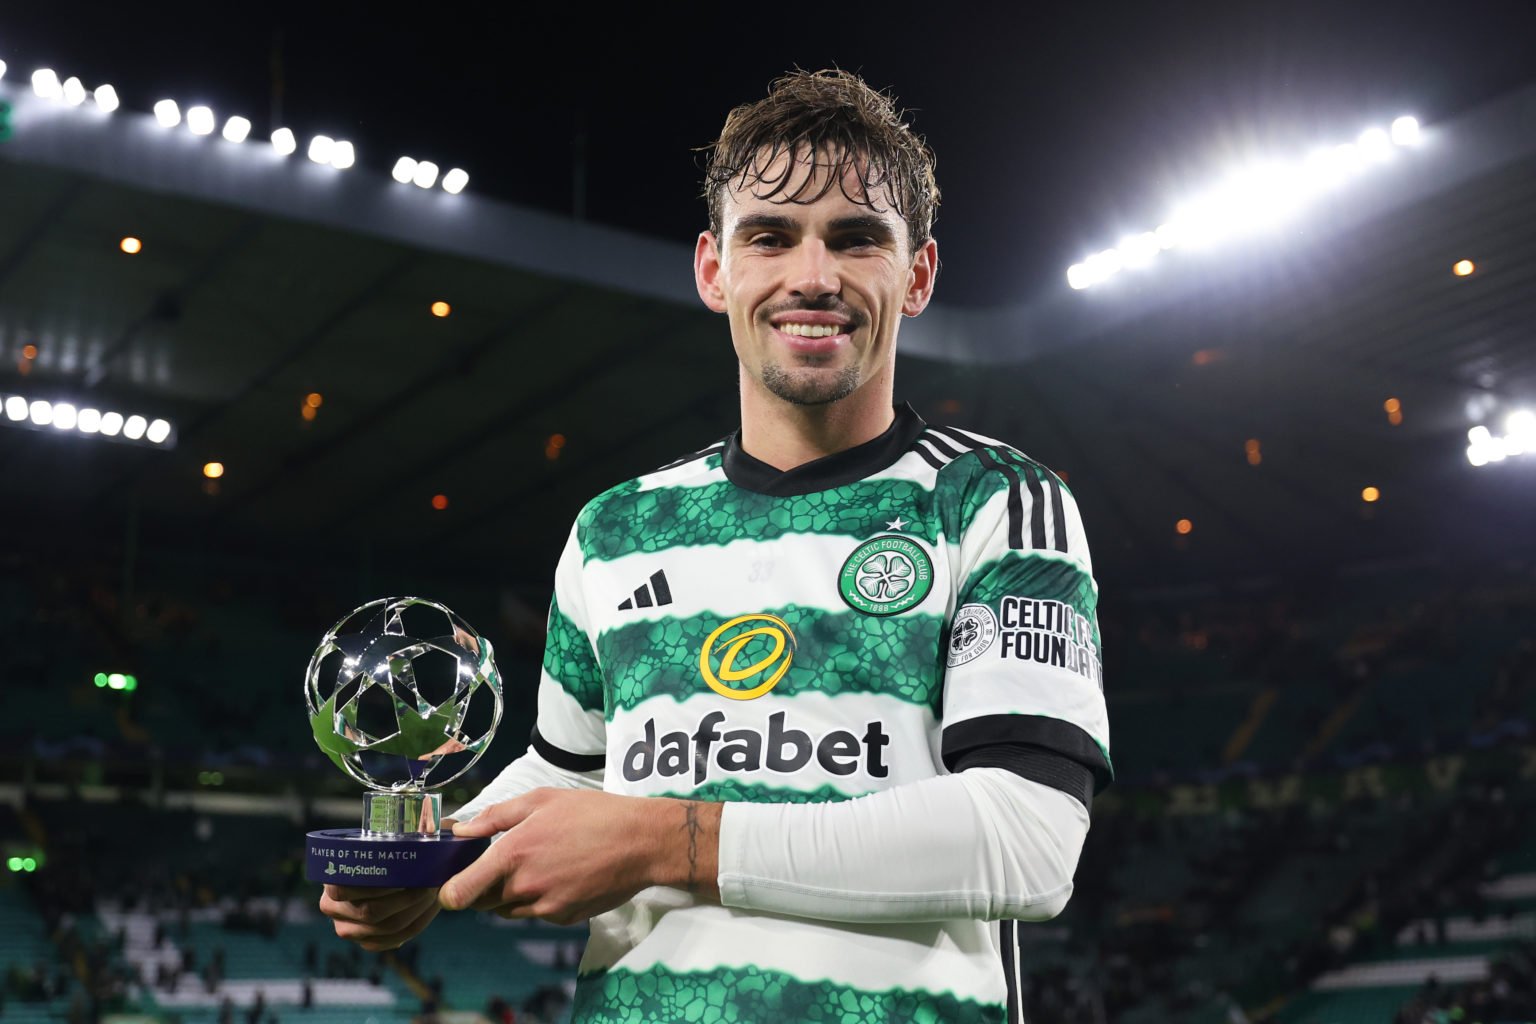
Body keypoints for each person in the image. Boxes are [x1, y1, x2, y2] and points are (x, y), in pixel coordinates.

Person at [320, 68, 1111, 1022]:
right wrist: (435, 860)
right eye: (770, 237)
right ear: (713, 269)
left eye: (855, 240)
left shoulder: (993, 500)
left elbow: (1028, 838)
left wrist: (668, 842)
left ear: (918, 275)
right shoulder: (616, 530)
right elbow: (572, 780)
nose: (810, 276)